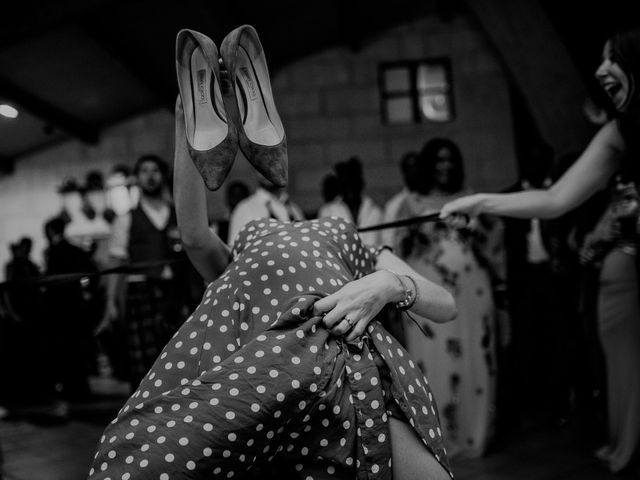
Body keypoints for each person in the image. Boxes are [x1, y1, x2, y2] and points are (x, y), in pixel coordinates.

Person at [86, 98, 457, 480]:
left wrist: (389, 283)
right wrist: (185, 121)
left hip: (345, 365)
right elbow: (195, 236)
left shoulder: (360, 249)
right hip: (262, 375)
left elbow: (445, 305)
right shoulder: (236, 264)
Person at [441, 28, 640, 473]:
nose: (598, 69)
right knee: (626, 372)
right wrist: (480, 201)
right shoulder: (618, 132)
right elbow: (555, 200)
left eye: (612, 59)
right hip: (624, 276)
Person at [388, 137, 503, 458]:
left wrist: (473, 228)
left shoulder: (472, 199)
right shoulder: (411, 203)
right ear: (428, 164)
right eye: (439, 159)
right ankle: (440, 438)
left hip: (473, 294)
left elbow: (495, 245)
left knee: (474, 358)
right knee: (434, 362)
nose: (446, 165)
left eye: (451, 158)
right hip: (428, 296)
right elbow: (398, 252)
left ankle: (474, 436)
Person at [96, 154, 192, 388]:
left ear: (163, 176)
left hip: (175, 292)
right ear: (137, 178)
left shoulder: (179, 214)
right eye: (144, 171)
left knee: (179, 358)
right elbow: (116, 263)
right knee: (145, 363)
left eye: (155, 171)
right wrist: (111, 303)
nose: (150, 176)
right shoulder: (126, 218)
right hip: (141, 291)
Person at [318, 156, 384, 246]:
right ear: (340, 186)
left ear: (361, 183)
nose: (349, 188)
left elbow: (386, 244)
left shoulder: (375, 212)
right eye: (345, 183)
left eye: (353, 182)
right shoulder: (328, 211)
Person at [227, 175, 304, 246]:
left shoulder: (294, 209)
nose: (270, 170)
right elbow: (234, 250)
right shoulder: (244, 209)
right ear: (256, 172)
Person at [381, 151, 421, 248]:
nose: (414, 172)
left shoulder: (433, 201)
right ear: (404, 172)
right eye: (409, 169)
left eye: (417, 167)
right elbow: (388, 241)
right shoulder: (394, 205)